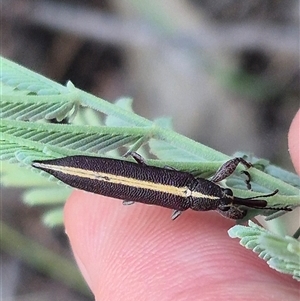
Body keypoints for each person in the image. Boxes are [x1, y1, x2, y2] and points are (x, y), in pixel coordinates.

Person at [64, 110, 300, 300]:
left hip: (129, 182)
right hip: (117, 179)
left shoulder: (191, 188)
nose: (227, 199)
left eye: (225, 199)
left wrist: (245, 169)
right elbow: (237, 196)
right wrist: (246, 172)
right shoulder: (185, 200)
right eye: (226, 195)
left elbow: (235, 174)